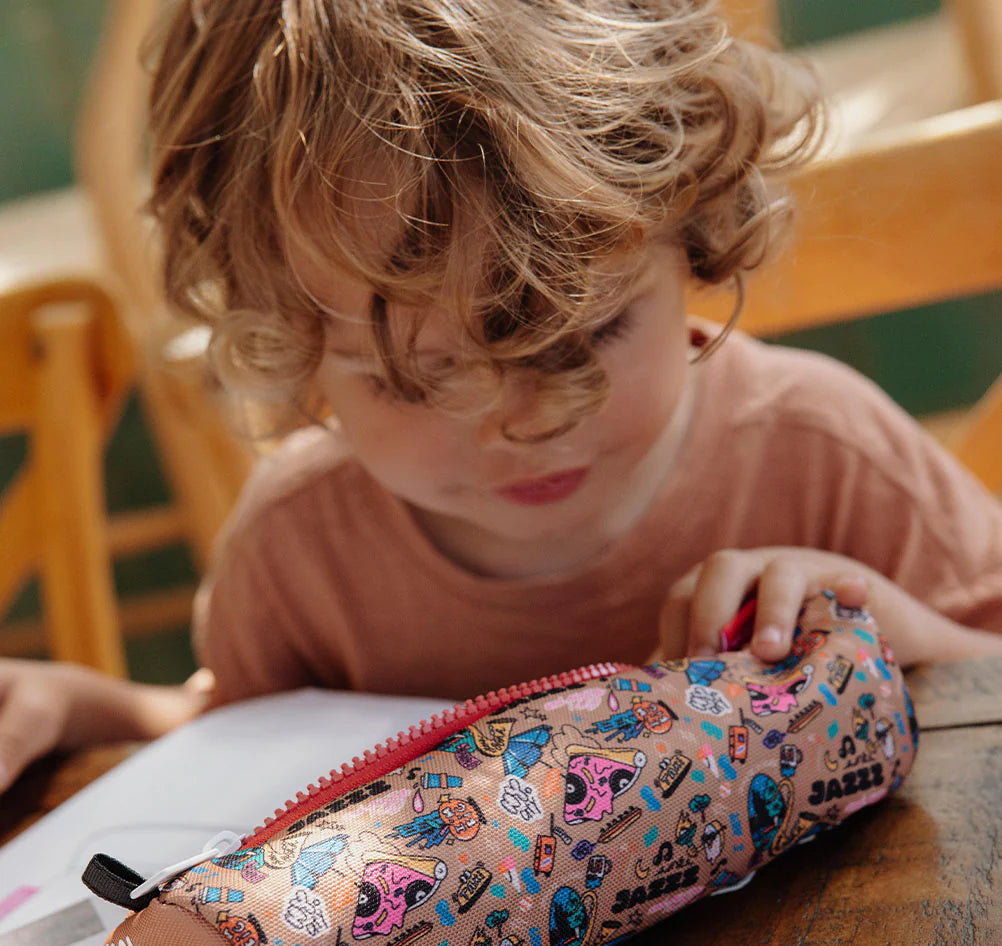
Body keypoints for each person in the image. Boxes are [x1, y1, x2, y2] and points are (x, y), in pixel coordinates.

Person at [1, 0, 1001, 796]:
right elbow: (248, 739)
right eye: (411, 376)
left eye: (587, 334)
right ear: (290, 349)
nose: (525, 423)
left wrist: (910, 639)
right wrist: (90, 708)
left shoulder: (828, 454)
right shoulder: (299, 558)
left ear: (692, 230)